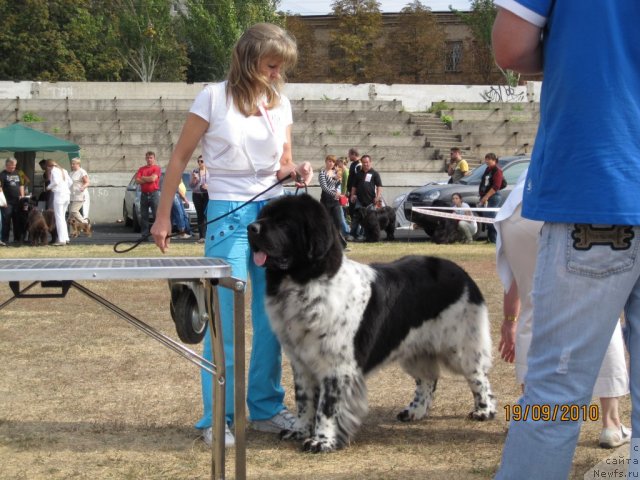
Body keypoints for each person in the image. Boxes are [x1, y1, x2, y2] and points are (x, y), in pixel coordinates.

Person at [492, 2, 640, 478]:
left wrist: (569, 49)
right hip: (604, 191)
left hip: (598, 191)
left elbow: (510, 47)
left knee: (553, 399)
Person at [150, 23, 312, 448]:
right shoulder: (212, 97)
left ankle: (265, 407)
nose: (277, 74)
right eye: (272, 65)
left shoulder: (281, 104)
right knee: (224, 320)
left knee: (271, 317)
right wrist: (163, 216)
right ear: (248, 59)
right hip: (228, 214)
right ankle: (214, 416)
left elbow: (284, 162)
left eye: (282, 68)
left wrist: (296, 171)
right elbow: (180, 157)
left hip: (273, 215)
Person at [496, 175, 631, 450]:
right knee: (602, 310)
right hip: (573, 202)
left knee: (533, 309)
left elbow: (517, 287)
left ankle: (534, 417)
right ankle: (611, 423)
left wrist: (510, 321)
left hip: (520, 210)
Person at [347, 154, 383, 241]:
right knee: (356, 218)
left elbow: (379, 186)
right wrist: (352, 195)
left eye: (367, 162)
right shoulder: (358, 174)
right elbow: (354, 187)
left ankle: (364, 235)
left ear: (370, 162)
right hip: (359, 201)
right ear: (361, 163)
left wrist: (378, 197)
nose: (365, 164)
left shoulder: (375, 173)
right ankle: (352, 235)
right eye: (363, 162)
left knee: (368, 220)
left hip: (371, 201)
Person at [318, 155, 347, 246]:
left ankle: (339, 243)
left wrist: (339, 180)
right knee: (326, 222)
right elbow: (324, 187)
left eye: (333, 162)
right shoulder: (322, 173)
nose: (331, 163)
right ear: (326, 161)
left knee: (338, 221)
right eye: (329, 161)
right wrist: (334, 193)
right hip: (326, 200)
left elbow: (335, 185)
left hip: (335, 201)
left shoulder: (336, 172)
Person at [478, 152, 503, 244]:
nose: (486, 161)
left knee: (491, 218)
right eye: (486, 159)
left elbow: (496, 186)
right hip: (486, 196)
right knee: (486, 217)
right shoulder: (487, 169)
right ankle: (490, 238)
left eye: (488, 159)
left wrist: (486, 196)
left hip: (493, 196)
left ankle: (495, 240)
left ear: (494, 160)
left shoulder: (497, 170)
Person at [135, 151, 161, 237]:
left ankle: (157, 234)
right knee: (144, 215)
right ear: (145, 158)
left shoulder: (156, 168)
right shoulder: (141, 169)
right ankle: (145, 234)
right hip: (144, 194)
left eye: (151, 158)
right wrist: (147, 179)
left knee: (156, 215)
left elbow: (153, 179)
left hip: (154, 194)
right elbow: (137, 180)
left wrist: (143, 178)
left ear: (154, 158)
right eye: (148, 158)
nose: (149, 159)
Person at [45, 160, 71, 246]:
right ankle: (66, 238)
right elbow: (70, 182)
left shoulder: (54, 170)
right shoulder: (64, 170)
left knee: (59, 217)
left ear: (49, 166)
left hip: (59, 195)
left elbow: (55, 182)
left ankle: (61, 240)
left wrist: (48, 187)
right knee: (63, 217)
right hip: (66, 194)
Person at [0, 158, 25, 244]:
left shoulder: (18, 173)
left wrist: (22, 196)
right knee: (6, 221)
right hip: (7, 202)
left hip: (17, 202)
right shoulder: (2, 174)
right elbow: (0, 188)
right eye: (11, 165)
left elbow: (21, 185)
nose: (13, 167)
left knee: (17, 220)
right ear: (7, 165)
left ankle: (17, 239)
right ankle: (5, 239)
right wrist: (3, 200)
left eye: (14, 165)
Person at [190, 155, 208, 243]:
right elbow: (191, 186)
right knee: (200, 215)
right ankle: (202, 237)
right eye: (199, 161)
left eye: (202, 161)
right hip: (197, 194)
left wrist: (208, 186)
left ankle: (208, 236)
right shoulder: (194, 171)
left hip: (206, 195)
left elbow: (214, 183)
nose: (200, 163)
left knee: (206, 214)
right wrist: (194, 180)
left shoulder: (209, 172)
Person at [68, 158, 90, 224]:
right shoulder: (71, 173)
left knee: (74, 211)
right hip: (72, 195)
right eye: (71, 164)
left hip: (79, 195)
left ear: (78, 164)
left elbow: (87, 182)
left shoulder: (82, 172)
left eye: (73, 164)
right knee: (71, 217)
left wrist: (83, 187)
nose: (72, 165)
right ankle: (74, 232)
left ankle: (85, 224)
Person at [345, 147, 361, 222]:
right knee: (351, 211)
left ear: (354, 154)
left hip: (355, 193)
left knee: (355, 212)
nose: (348, 156)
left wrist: (355, 193)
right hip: (351, 191)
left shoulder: (358, 165)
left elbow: (359, 180)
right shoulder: (352, 164)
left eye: (349, 155)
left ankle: (357, 231)